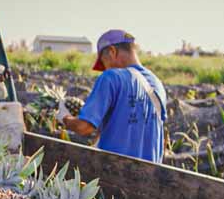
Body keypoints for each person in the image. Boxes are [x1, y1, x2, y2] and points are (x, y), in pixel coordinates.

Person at [57, 30, 167, 163]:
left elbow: (83, 127)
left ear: (112, 51)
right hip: (151, 178)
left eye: (103, 62)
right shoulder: (157, 84)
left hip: (115, 174)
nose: (105, 68)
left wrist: (64, 117)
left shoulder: (111, 77)